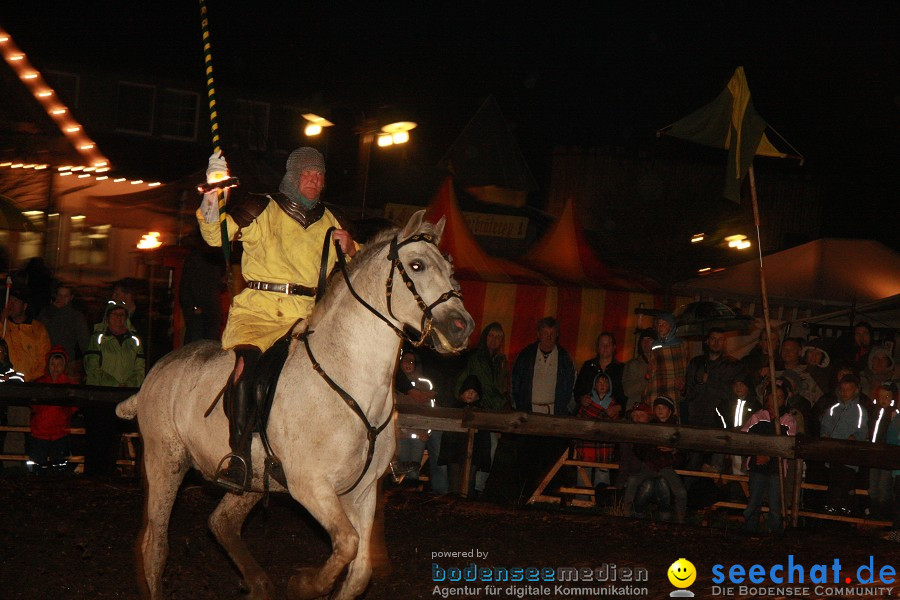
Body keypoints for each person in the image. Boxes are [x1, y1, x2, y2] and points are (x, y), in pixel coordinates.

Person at [197, 147, 358, 491]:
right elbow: (215, 235)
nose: (315, 181)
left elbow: (359, 276)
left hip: (306, 318)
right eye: (308, 174)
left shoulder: (333, 221)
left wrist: (353, 251)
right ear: (293, 176)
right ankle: (238, 455)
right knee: (246, 365)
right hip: (259, 313)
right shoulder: (262, 208)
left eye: (320, 175)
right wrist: (214, 191)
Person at [83, 301, 145, 476]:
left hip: (123, 396)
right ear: (107, 317)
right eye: (115, 315)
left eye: (122, 315)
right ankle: (93, 474)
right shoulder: (97, 338)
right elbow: (92, 367)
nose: (119, 318)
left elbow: (140, 368)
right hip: (100, 396)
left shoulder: (135, 341)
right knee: (97, 436)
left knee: (113, 438)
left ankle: (109, 473)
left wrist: (128, 385)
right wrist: (113, 384)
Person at [453, 322, 510, 492]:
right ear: (485, 337)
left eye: (498, 337)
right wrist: (460, 394)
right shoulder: (475, 358)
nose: (494, 340)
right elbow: (461, 381)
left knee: (490, 451)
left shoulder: (501, 361)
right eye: (491, 335)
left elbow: (503, 389)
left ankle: (479, 487)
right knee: (480, 449)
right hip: (479, 410)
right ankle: (472, 487)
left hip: (495, 411)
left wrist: (503, 411)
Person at [741, 378, 796, 533]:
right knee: (754, 500)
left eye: (778, 397)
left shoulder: (788, 420)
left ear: (784, 399)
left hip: (776, 469)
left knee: (774, 502)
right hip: (757, 466)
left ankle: (774, 532)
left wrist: (770, 456)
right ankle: (749, 529)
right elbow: (745, 438)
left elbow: (788, 444)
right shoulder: (757, 417)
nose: (774, 401)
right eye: (772, 397)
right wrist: (758, 453)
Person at [622, 396, 687, 523]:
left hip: (666, 467)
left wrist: (673, 450)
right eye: (657, 407)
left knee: (681, 492)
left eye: (663, 407)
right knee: (632, 481)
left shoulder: (677, 429)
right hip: (649, 465)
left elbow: (684, 455)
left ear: (670, 410)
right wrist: (650, 451)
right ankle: (625, 514)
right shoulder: (650, 426)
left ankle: (680, 520)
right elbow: (639, 448)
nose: (660, 410)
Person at [820, 374, 868, 516]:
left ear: (856, 390)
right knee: (834, 481)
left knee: (846, 482)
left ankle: (845, 508)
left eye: (849, 389)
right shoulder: (834, 408)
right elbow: (825, 425)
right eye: (843, 389)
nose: (845, 392)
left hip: (849, 455)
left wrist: (855, 437)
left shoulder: (860, 410)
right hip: (834, 453)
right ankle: (831, 506)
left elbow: (862, 430)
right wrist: (825, 436)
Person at [511, 317, 576, 416]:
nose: (548, 337)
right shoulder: (525, 355)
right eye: (545, 333)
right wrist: (517, 406)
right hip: (528, 412)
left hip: (555, 413)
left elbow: (572, 385)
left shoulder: (565, 359)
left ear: (557, 335)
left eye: (552, 334)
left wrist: (567, 409)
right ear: (538, 334)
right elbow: (515, 382)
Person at [28, 346, 78, 475]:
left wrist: (64, 413)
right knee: (38, 467)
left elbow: (75, 403)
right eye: (52, 364)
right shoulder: (40, 383)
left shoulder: (69, 384)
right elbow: (33, 403)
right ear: (48, 365)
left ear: (64, 366)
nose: (55, 368)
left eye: (59, 365)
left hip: (60, 432)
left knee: (60, 466)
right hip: (40, 432)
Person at [439, 375, 491, 495]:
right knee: (454, 484)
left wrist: (483, 459)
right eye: (467, 391)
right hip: (454, 454)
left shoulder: (481, 411)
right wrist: (446, 454)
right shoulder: (454, 409)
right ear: (462, 393)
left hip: (474, 455)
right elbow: (447, 434)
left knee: (469, 483)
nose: (470, 394)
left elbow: (485, 439)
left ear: (478, 395)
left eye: (473, 392)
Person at [393, 350, 438, 486]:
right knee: (402, 467)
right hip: (402, 433)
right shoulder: (394, 383)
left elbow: (431, 410)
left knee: (414, 468)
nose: (408, 365)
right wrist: (395, 431)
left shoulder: (425, 384)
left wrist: (427, 432)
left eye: (411, 362)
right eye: (405, 361)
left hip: (419, 435)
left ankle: (411, 496)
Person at [683, 328, 743, 429]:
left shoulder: (733, 365)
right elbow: (688, 391)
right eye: (713, 339)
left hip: (720, 420)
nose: (716, 342)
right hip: (696, 419)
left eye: (720, 339)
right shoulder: (696, 363)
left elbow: (732, 394)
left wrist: (710, 381)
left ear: (724, 342)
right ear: (707, 341)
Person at [572, 372, 622, 492]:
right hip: (587, 443)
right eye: (599, 382)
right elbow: (580, 420)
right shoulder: (586, 401)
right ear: (594, 385)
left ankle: (601, 501)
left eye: (605, 382)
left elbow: (615, 425)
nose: (602, 384)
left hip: (604, 443)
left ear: (610, 386)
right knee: (584, 472)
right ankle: (582, 501)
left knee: (603, 472)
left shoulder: (613, 404)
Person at [38, 281, 90, 381]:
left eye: (65, 296)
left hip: (67, 363)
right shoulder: (46, 313)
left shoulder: (76, 317)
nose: (61, 299)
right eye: (60, 295)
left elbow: (84, 342)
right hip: (45, 362)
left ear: (71, 297)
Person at [867, 382, 898, 521]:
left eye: (887, 396)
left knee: (884, 487)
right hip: (874, 454)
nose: (884, 399)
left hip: (886, 456)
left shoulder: (894, 415)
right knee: (873, 487)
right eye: (881, 397)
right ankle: (874, 512)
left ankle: (883, 516)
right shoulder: (874, 412)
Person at [644, 313, 687, 413]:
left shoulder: (680, 344)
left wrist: (682, 384)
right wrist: (648, 373)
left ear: (671, 326)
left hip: (672, 388)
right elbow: (650, 370)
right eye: (658, 324)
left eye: (664, 324)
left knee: (670, 414)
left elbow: (682, 368)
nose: (660, 327)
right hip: (656, 386)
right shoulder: (654, 345)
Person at [575, 332, 625, 409]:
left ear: (614, 347)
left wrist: (618, 408)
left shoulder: (621, 369)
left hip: (610, 415)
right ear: (597, 347)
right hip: (588, 412)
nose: (605, 347)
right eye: (602, 344)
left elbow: (624, 395)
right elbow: (578, 389)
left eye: (608, 344)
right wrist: (581, 399)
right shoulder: (588, 366)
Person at [622, 328, 654, 411]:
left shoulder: (663, 363)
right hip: (636, 413)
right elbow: (628, 391)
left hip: (656, 412)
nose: (646, 343)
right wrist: (646, 377)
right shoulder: (633, 364)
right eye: (643, 340)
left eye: (649, 339)